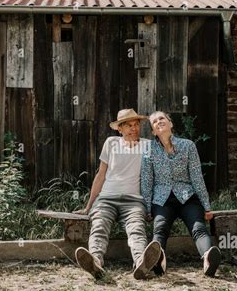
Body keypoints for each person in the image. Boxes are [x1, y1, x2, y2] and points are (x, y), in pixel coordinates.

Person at [74, 109, 161, 280]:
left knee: (136, 228)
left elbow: (152, 178)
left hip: (134, 201)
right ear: (119, 129)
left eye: (136, 125)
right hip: (106, 198)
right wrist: (89, 206)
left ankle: (140, 263)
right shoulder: (111, 142)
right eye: (129, 125)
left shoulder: (147, 146)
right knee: (99, 225)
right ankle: (95, 262)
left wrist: (150, 207)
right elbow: (101, 175)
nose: (134, 128)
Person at [141, 111, 221, 277]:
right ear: (154, 131)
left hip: (187, 197)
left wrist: (206, 207)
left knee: (198, 227)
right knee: (160, 228)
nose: (159, 122)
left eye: (162, 118)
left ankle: (208, 258)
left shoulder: (188, 146)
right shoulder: (149, 149)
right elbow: (147, 181)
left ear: (170, 124)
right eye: (154, 122)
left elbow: (197, 178)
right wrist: (148, 208)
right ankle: (158, 260)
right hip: (162, 199)